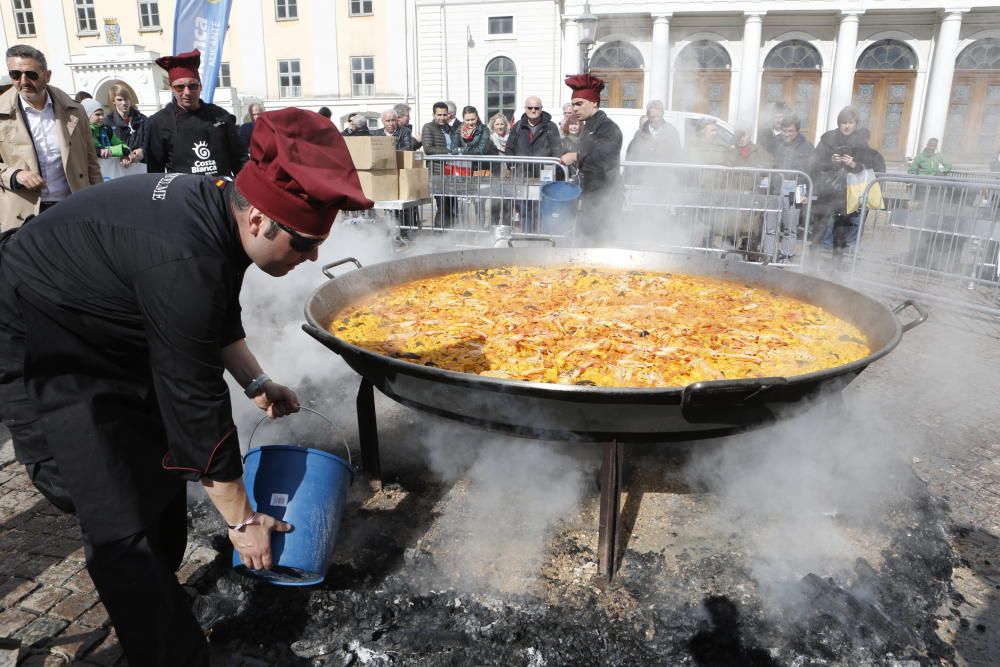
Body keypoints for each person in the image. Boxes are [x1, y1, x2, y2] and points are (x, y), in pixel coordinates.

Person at [0, 107, 374, 666]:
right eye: (303, 243)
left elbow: (212, 310)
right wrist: (243, 522)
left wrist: (256, 379)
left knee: (156, 472)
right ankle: (168, 650)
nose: (311, 257)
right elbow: (194, 401)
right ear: (258, 221)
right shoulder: (184, 256)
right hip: (39, 329)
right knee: (111, 508)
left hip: (113, 319)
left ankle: (159, 582)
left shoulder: (223, 201)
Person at [0, 45, 102, 230]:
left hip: (72, 206)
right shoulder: (1, 112)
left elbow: (90, 161)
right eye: (15, 74)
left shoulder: (74, 110)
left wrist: (100, 201)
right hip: (23, 214)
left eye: (31, 74)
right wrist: (15, 175)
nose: (23, 81)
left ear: (47, 75)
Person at [145, 49, 246, 177]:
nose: (187, 92)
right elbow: (155, 172)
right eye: (180, 87)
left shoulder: (220, 115)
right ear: (171, 88)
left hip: (221, 192)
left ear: (200, 86)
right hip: (184, 194)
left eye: (192, 86)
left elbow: (240, 159)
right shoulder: (159, 122)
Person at [560, 74, 623, 245]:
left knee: (602, 245)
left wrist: (576, 157)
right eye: (573, 105)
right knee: (584, 243)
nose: (575, 109)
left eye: (579, 104)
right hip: (589, 195)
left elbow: (604, 159)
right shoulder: (588, 127)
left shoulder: (608, 127)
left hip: (606, 197)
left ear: (594, 103)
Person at [810, 105, 879, 257]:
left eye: (851, 122)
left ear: (856, 124)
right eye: (844, 122)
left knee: (841, 231)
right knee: (820, 227)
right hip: (826, 191)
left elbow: (869, 165)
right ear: (838, 123)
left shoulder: (861, 142)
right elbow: (813, 163)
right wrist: (830, 160)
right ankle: (812, 263)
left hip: (848, 193)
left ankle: (836, 266)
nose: (847, 126)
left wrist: (853, 164)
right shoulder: (827, 138)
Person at [505, 96, 562, 230]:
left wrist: (553, 167)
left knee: (543, 210)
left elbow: (557, 150)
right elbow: (509, 148)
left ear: (541, 109)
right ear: (525, 109)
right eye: (530, 108)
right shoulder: (518, 126)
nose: (533, 110)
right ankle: (526, 237)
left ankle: (542, 238)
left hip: (544, 177)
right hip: (522, 176)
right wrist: (511, 165)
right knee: (524, 210)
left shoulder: (550, 127)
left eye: (537, 108)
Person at [766, 113, 814, 262]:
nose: (786, 134)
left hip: (797, 189)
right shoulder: (774, 142)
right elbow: (767, 161)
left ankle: (786, 255)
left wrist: (805, 193)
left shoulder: (807, 147)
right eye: (784, 131)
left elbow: (811, 171)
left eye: (790, 131)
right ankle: (768, 255)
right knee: (770, 227)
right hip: (774, 189)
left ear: (797, 131)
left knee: (791, 228)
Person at [624, 100, 681, 184]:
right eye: (652, 117)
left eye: (658, 116)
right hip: (641, 181)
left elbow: (677, 157)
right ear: (647, 115)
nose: (656, 119)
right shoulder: (639, 134)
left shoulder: (672, 132)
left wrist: (675, 181)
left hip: (664, 182)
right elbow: (631, 156)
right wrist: (629, 178)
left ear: (662, 114)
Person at [422, 101, 457, 227]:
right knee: (442, 205)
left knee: (452, 205)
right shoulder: (428, 127)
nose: (442, 118)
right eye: (439, 115)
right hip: (438, 172)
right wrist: (449, 152)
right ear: (434, 114)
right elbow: (428, 149)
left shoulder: (450, 128)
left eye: (444, 115)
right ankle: (439, 234)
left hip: (453, 171)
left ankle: (450, 234)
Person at [82, 98, 130, 180]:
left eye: (102, 114)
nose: (101, 117)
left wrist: (123, 156)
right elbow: (93, 151)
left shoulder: (107, 130)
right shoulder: (83, 132)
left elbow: (125, 148)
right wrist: (117, 151)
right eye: (97, 114)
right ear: (87, 115)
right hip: (91, 177)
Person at [104, 84, 148, 172]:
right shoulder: (108, 122)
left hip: (142, 167)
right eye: (120, 100)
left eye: (126, 99)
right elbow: (106, 147)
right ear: (113, 101)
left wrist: (142, 150)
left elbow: (151, 140)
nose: (124, 103)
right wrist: (122, 154)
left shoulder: (143, 119)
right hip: (119, 170)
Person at [487, 113, 511, 225]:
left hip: (509, 174)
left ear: (505, 125)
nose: (500, 126)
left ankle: (506, 229)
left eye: (502, 124)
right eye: (497, 124)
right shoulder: (490, 139)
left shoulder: (511, 138)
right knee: (495, 203)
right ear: (493, 126)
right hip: (495, 174)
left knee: (507, 204)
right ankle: (494, 228)